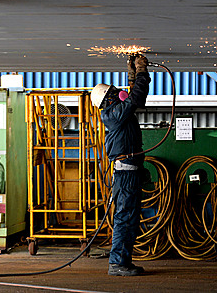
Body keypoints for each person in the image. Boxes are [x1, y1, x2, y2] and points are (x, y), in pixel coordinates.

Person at [90, 54, 151, 276]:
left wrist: (133, 72)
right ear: (109, 99)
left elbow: (135, 98)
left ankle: (124, 261)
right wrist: (142, 69)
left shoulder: (118, 112)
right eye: (114, 92)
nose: (119, 93)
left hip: (130, 172)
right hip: (125, 175)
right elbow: (135, 98)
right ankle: (117, 263)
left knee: (130, 218)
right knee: (124, 218)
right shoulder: (114, 114)